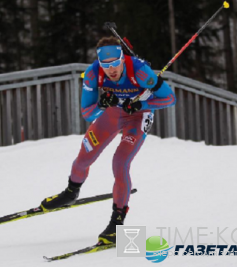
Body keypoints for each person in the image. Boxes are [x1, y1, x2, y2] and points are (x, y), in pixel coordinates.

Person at [40, 36, 176, 245]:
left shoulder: (139, 71)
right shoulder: (93, 73)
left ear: (123, 59)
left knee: (120, 162)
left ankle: (116, 223)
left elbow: (169, 98)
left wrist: (139, 106)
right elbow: (87, 112)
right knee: (83, 158)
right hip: (113, 113)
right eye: (106, 65)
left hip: (139, 115)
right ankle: (70, 192)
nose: (111, 70)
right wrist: (103, 105)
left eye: (114, 64)